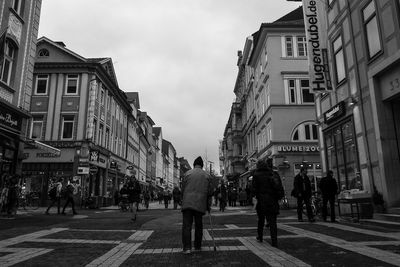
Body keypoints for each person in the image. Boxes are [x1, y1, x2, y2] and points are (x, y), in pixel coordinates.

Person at [181, 156, 212, 254]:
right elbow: (210, 192)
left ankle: (187, 248)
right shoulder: (207, 175)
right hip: (200, 204)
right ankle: (197, 246)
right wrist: (208, 205)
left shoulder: (187, 174)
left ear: (194, 165)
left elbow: (183, 189)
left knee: (187, 226)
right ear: (202, 166)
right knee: (199, 225)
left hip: (187, 203)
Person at [252, 159, 284, 247]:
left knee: (261, 220)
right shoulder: (273, 173)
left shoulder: (256, 175)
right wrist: (279, 197)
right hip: (272, 200)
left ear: (258, 166)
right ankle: (274, 241)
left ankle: (260, 236)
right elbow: (279, 187)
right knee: (273, 221)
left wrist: (255, 197)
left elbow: (254, 189)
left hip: (261, 201)